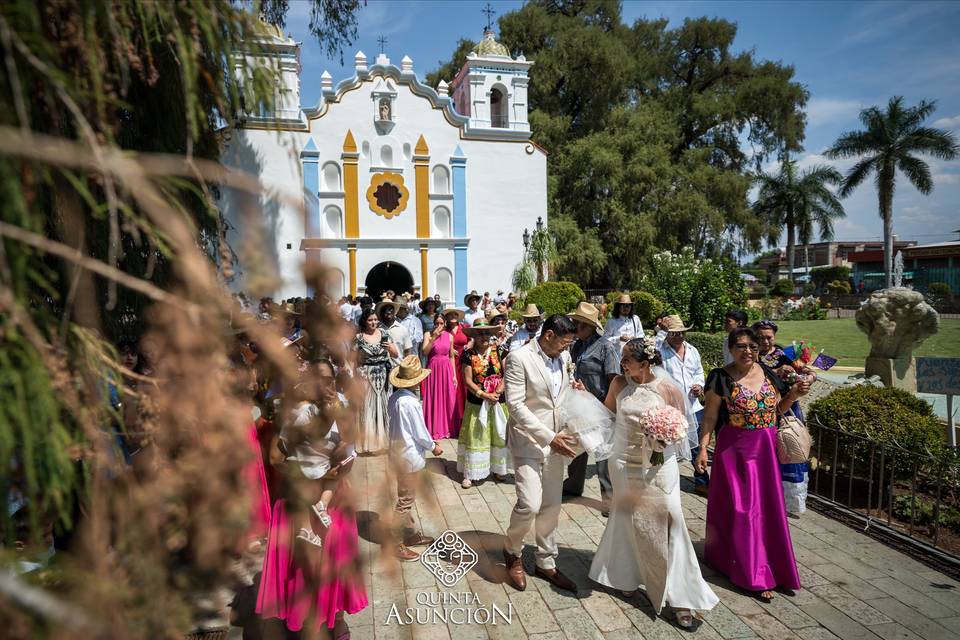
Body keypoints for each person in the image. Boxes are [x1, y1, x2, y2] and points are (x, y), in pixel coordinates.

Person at [589, 338, 718, 627]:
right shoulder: (619, 385)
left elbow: (682, 427)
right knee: (626, 519)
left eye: (626, 359)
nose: (621, 364)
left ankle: (682, 597)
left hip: (659, 467)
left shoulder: (667, 389)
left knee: (670, 523)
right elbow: (607, 415)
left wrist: (663, 438)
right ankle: (626, 573)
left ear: (645, 364)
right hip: (622, 463)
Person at [256, 360, 367, 638]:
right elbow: (275, 458)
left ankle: (337, 619)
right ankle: (304, 621)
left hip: (334, 500)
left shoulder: (341, 407)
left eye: (330, 379)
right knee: (302, 569)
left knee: (336, 563)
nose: (325, 385)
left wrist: (340, 467)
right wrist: (309, 476)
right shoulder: (294, 412)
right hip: (299, 498)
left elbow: (351, 452)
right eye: (319, 380)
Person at [695, 328, 808, 601]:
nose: (748, 351)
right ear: (731, 349)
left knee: (767, 510)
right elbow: (710, 416)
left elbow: (775, 411)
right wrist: (702, 448)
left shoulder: (768, 374)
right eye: (741, 346)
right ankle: (752, 574)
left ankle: (773, 568)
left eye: (753, 347)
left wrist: (793, 394)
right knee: (744, 511)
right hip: (735, 451)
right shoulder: (720, 377)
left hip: (766, 450)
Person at [502, 314, 579, 593]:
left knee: (551, 505)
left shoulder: (565, 357)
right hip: (528, 441)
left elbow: (562, 394)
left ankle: (546, 561)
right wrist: (549, 437)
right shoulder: (518, 358)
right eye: (563, 341)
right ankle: (512, 551)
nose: (566, 347)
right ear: (548, 336)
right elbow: (516, 406)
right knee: (530, 503)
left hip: (560, 439)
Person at [753, 319, 814, 517]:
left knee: (789, 447)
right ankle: (765, 496)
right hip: (763, 410)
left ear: (775, 337)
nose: (765, 341)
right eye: (760, 337)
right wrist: (776, 373)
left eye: (769, 337)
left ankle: (788, 501)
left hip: (788, 409)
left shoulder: (784, 353)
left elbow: (808, 371)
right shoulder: (750, 356)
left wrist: (805, 378)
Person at [561, 302, 618, 512]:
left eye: (576, 323)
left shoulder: (606, 346)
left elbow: (614, 379)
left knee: (603, 455)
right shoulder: (577, 345)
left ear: (587, 326)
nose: (573, 326)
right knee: (579, 447)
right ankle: (573, 486)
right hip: (580, 404)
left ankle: (609, 500)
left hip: (602, 405)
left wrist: (609, 407)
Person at [387, 356, 444, 560]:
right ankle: (396, 543)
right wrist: (433, 446)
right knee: (405, 501)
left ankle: (409, 534)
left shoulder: (394, 398)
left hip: (397, 453)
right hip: (409, 456)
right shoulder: (410, 402)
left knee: (406, 496)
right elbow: (420, 432)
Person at [456, 319, 510, 488]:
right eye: (480, 334)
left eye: (487, 333)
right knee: (476, 435)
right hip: (477, 402)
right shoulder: (468, 354)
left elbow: (507, 373)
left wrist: (497, 392)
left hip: (497, 401)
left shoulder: (500, 351)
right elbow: (467, 380)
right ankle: (471, 473)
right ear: (474, 336)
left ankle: (498, 468)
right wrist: (483, 394)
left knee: (498, 433)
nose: (484, 337)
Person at [658, 315, 708, 496]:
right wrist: (660, 332)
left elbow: (698, 371)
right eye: (674, 333)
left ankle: (701, 481)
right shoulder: (661, 350)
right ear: (667, 334)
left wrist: (698, 385)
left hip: (694, 406)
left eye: (681, 333)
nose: (678, 336)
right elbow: (650, 355)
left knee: (697, 446)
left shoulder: (692, 350)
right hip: (672, 406)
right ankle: (663, 477)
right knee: (668, 443)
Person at [354, 309, 398, 454]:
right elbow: (351, 359)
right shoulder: (359, 338)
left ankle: (384, 443)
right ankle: (369, 444)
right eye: (370, 320)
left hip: (383, 376)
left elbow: (395, 354)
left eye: (375, 319)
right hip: (366, 377)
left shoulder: (385, 334)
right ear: (364, 322)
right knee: (368, 408)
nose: (373, 322)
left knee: (383, 407)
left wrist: (391, 348)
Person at [420, 312, 458, 439]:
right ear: (433, 323)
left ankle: (448, 428)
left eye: (441, 323)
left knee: (449, 398)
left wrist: (454, 376)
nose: (439, 325)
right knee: (434, 397)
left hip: (446, 368)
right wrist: (433, 338)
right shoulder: (428, 334)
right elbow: (425, 352)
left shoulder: (450, 336)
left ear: (445, 323)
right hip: (433, 369)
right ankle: (434, 428)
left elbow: (451, 356)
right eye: (437, 323)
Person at [446, 305, 471, 438]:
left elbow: (472, 340)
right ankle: (455, 423)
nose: (452, 317)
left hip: (464, 360)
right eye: (450, 315)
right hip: (452, 363)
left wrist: (468, 346)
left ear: (458, 316)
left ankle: (466, 423)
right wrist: (449, 350)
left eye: (454, 315)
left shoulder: (465, 328)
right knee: (455, 393)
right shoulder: (445, 330)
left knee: (465, 391)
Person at [378, 301, 412, 365]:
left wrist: (407, 366)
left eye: (390, 309)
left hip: (398, 367)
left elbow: (407, 351)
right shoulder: (377, 329)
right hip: (381, 369)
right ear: (382, 313)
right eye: (385, 310)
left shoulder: (403, 329)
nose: (388, 312)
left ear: (394, 313)